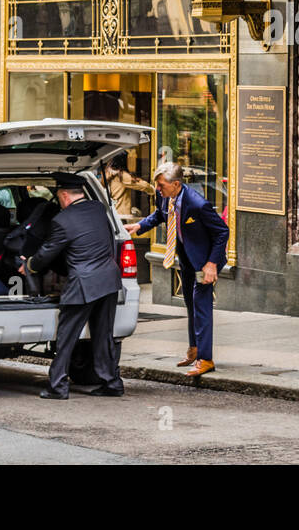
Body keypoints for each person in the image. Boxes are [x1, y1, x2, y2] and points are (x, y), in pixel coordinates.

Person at [20, 173, 124, 399]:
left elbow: (47, 253)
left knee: (67, 336)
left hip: (83, 284)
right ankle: (112, 383)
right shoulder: (98, 209)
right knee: (103, 334)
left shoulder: (61, 221)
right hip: (108, 280)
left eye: (58, 196)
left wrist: (29, 264)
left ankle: (57, 386)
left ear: (65, 195)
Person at [125, 162, 228, 377]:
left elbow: (222, 232)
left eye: (161, 185)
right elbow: (160, 215)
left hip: (204, 261)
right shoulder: (165, 196)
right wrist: (140, 226)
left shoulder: (198, 204)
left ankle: (206, 359)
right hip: (186, 258)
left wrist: (211, 264)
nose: (158, 189)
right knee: (190, 304)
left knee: (202, 307)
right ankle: (194, 349)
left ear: (177, 184)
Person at [104, 151, 155, 221]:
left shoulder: (109, 173)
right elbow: (143, 186)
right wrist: (153, 189)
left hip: (114, 212)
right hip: (122, 214)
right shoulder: (122, 176)